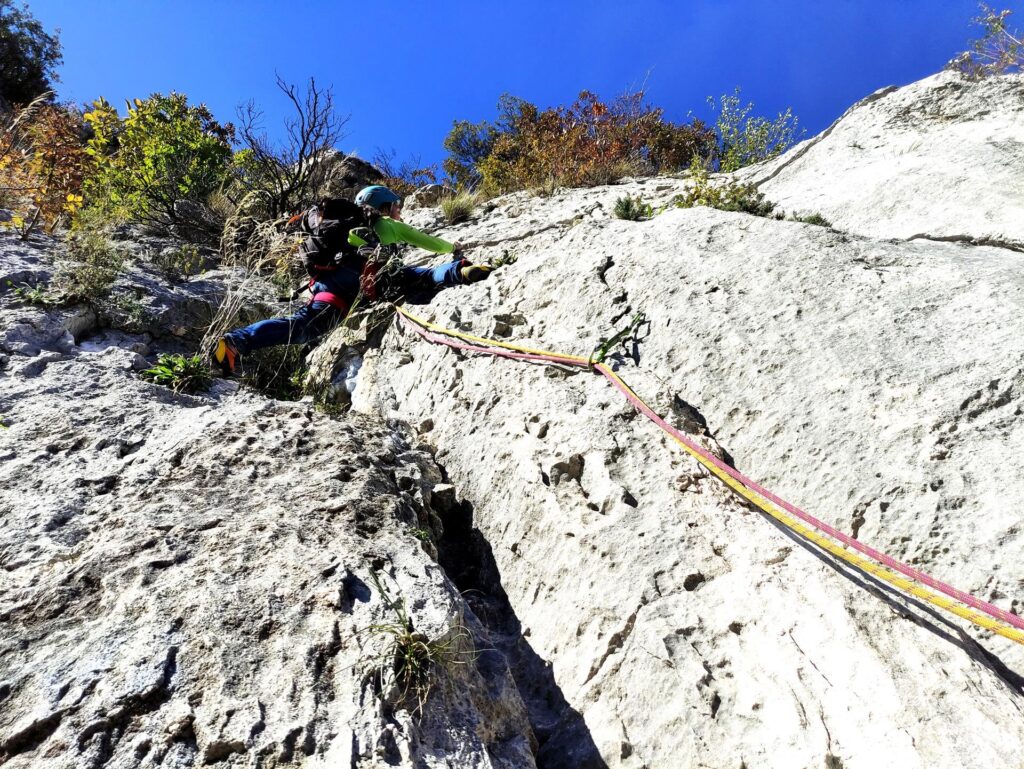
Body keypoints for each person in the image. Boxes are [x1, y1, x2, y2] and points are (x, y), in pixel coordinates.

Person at [211, 185, 491, 375]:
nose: (399, 212)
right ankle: (460, 271)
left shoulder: (336, 226)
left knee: (304, 326)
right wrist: (451, 248)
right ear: (385, 206)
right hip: (371, 278)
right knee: (422, 276)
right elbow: (430, 243)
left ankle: (234, 343)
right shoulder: (387, 225)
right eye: (396, 206)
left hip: (331, 286)